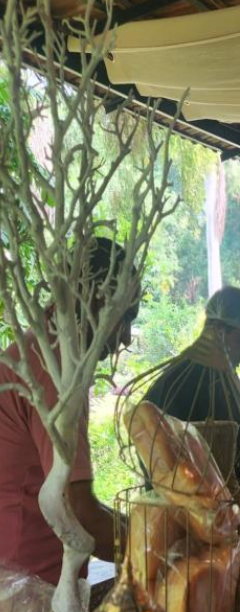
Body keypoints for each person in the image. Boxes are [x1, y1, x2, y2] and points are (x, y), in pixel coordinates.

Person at [0, 237, 138, 585]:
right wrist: (161, 551)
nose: (126, 338)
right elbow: (81, 513)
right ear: (98, 298)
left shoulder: (43, 347)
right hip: (25, 586)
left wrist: (143, 531)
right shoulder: (55, 368)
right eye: (126, 317)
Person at [144, 286, 240, 497]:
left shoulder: (171, 376)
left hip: (166, 504)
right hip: (198, 507)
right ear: (219, 330)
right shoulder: (214, 385)